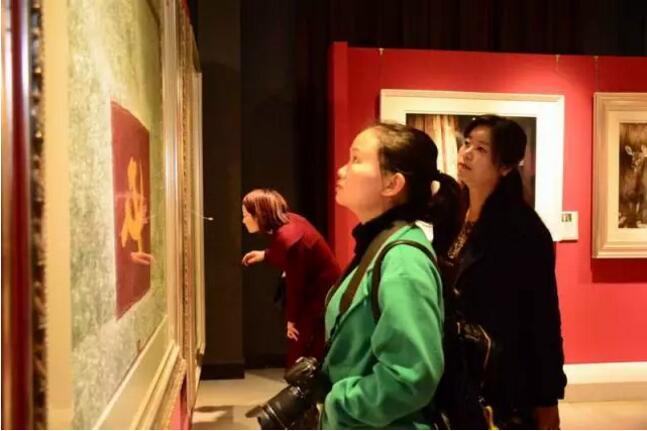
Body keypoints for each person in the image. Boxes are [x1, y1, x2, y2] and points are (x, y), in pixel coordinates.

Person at [320, 122, 462, 429]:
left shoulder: (402, 259)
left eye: (356, 159)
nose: (342, 171)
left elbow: (411, 376)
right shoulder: (380, 244)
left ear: (392, 184)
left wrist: (339, 402)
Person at [447, 114, 567, 429]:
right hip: (458, 375)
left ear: (505, 166)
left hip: (502, 383)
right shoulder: (453, 215)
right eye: (466, 143)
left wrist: (547, 399)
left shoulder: (523, 230)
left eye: (481, 149)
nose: (466, 153)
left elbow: (543, 318)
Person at [241, 189, 340, 367]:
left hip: (319, 294)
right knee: (312, 345)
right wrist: (264, 255)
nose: (243, 220)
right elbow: (287, 254)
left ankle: (299, 380)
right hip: (325, 289)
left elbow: (296, 285)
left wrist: (291, 320)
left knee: (300, 345)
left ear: (259, 215)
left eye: (246, 215)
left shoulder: (288, 240)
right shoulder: (291, 220)